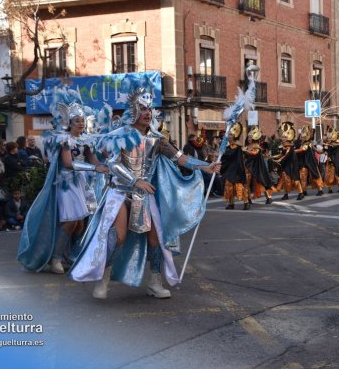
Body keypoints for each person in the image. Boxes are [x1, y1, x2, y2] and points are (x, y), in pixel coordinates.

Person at [69, 88, 220, 300]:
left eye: (149, 108)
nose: (147, 112)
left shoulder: (158, 139)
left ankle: (155, 282)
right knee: (118, 236)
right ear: (134, 110)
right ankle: (104, 278)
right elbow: (112, 163)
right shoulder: (120, 136)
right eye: (142, 108)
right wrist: (135, 180)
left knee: (156, 237)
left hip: (144, 195)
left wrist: (206, 166)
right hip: (120, 192)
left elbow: (180, 158)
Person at [17, 94, 108, 274]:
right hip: (66, 183)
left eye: (82, 120)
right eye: (77, 121)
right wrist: (93, 169)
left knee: (81, 224)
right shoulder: (64, 139)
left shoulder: (85, 140)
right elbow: (67, 163)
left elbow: (93, 159)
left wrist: (105, 166)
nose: (81, 124)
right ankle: (55, 258)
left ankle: (69, 256)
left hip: (82, 183)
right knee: (70, 221)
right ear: (69, 123)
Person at [220, 122, 250, 210]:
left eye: (230, 135)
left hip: (237, 170)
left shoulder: (237, 147)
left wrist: (221, 154)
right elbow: (226, 157)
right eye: (228, 134)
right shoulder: (228, 146)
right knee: (229, 186)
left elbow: (229, 155)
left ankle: (246, 202)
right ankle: (231, 203)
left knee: (240, 186)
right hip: (229, 170)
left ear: (234, 136)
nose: (228, 136)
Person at [272, 122, 304, 201]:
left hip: (292, 165)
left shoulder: (289, 146)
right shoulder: (284, 146)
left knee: (295, 179)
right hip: (286, 165)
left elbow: (285, 155)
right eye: (282, 137)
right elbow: (281, 154)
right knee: (285, 180)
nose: (283, 138)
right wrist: (272, 157)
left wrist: (279, 160)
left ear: (287, 138)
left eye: (284, 137)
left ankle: (301, 193)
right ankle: (286, 194)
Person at [243, 126, 273, 204]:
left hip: (257, 166)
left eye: (251, 137)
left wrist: (246, 151)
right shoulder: (246, 146)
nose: (249, 138)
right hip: (248, 166)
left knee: (261, 181)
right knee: (247, 183)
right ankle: (248, 199)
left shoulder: (256, 146)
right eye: (248, 137)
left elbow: (254, 153)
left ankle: (268, 197)